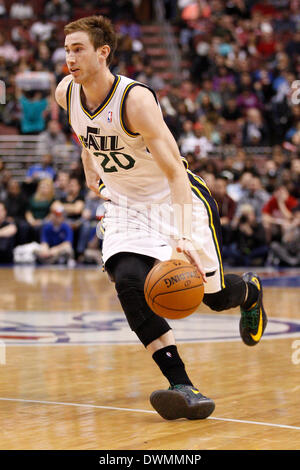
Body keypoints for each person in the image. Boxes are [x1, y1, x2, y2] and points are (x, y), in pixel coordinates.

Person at [55, 15, 268, 421]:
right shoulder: (66, 92)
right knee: (130, 281)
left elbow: (174, 171)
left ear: (103, 53)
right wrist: (94, 176)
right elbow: (85, 138)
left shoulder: (135, 100)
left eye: (78, 49)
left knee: (212, 297)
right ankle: (182, 384)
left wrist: (184, 235)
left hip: (174, 200)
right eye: (66, 50)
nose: (70, 58)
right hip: (125, 205)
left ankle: (249, 292)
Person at [37, 201, 74, 265]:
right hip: (49, 253)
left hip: (59, 251)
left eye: (59, 215)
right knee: (38, 251)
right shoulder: (46, 228)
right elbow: (44, 243)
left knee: (68, 250)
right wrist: (45, 251)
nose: (56, 217)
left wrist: (55, 250)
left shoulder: (67, 227)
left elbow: (67, 244)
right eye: (54, 214)